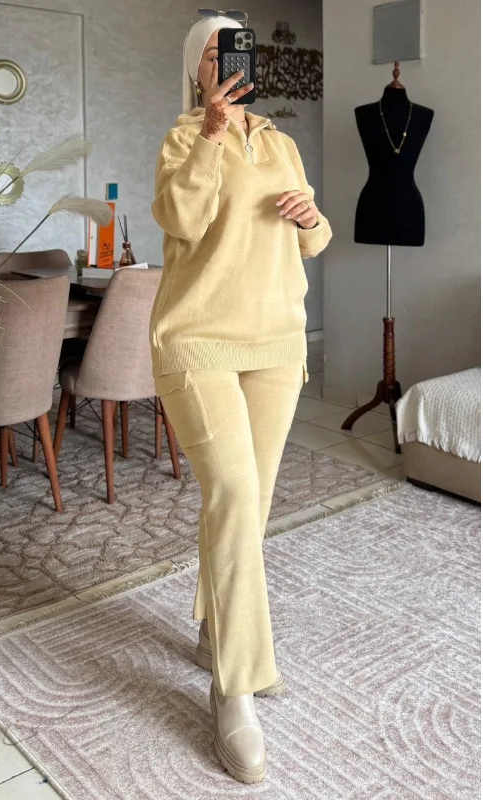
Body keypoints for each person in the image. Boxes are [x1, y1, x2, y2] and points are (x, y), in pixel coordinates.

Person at [149, 16, 332, 784]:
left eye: (236, 48)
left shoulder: (282, 143)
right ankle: (235, 689)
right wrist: (213, 132)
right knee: (230, 491)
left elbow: (313, 240)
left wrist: (312, 219)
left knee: (247, 510)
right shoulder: (183, 139)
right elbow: (180, 219)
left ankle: (212, 637)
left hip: (277, 345)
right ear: (198, 68)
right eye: (213, 52)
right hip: (197, 342)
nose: (226, 61)